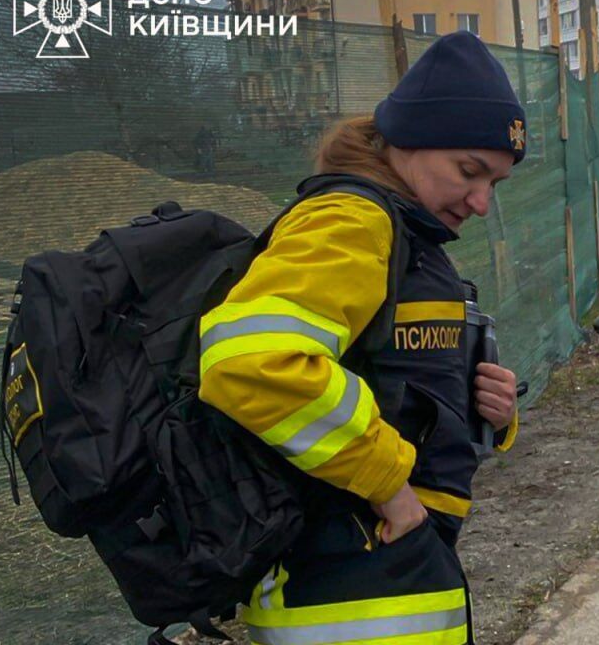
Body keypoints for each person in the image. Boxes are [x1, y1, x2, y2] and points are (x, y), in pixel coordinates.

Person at [198, 31, 527, 645]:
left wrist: (489, 410)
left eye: (496, 184)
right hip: (348, 575)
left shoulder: (404, 232)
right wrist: (390, 485)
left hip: (376, 568)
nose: (482, 202)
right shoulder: (354, 220)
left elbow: (391, 376)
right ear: (409, 142)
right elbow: (250, 361)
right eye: (469, 171)